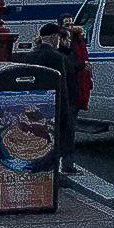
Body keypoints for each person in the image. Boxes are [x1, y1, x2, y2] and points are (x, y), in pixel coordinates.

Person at [30, 22, 76, 175]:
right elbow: (62, 87)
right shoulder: (57, 58)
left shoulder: (30, 56)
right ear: (54, 37)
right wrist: (65, 112)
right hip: (53, 107)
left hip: (34, 106)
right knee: (53, 146)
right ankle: (52, 177)